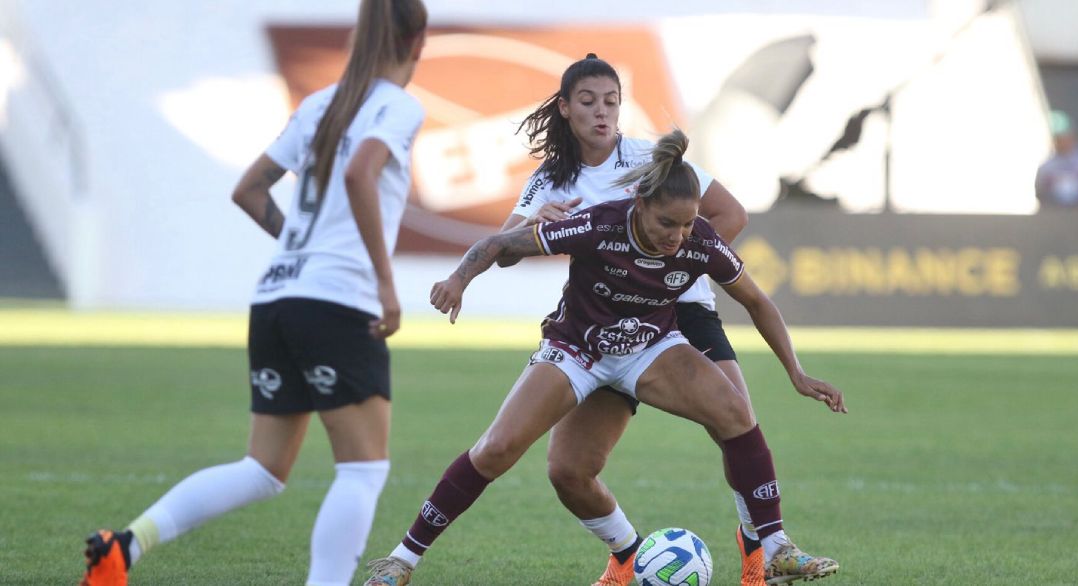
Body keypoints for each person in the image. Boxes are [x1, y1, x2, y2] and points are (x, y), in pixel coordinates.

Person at [364, 129, 845, 586]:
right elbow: (498, 244)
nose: (677, 236)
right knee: (516, 455)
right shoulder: (599, 223)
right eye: (666, 223)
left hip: (650, 348)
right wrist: (457, 280)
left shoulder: (699, 239)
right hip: (577, 350)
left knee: (736, 413)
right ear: (640, 205)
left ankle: (774, 546)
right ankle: (402, 560)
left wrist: (796, 372)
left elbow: (757, 301)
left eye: (686, 223)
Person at [77, 2, 428, 585]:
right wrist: (387, 285)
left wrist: (297, 245)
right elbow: (359, 173)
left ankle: (126, 546)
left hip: (276, 297)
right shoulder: (397, 105)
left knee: (263, 469)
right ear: (418, 41)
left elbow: (250, 189)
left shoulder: (318, 104)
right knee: (364, 469)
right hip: (336, 302)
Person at [500, 53, 798, 586]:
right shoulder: (550, 178)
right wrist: (532, 224)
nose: (601, 112)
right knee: (571, 466)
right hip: (608, 325)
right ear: (565, 109)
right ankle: (624, 559)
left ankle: (760, 558)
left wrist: (666, 275)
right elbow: (504, 246)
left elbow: (731, 215)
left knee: (736, 422)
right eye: (588, 102)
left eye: (611, 101)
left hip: (685, 311)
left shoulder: (651, 160)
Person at [1035, 110, 1078, 214]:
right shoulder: (1047, 165)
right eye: (1058, 139)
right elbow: (1040, 191)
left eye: (1064, 137)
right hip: (1056, 212)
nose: (1062, 142)